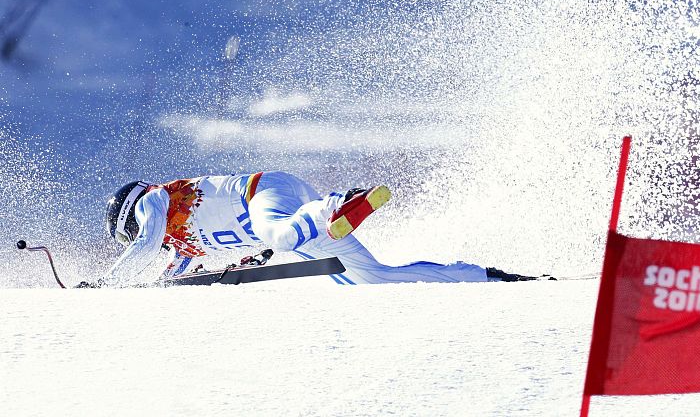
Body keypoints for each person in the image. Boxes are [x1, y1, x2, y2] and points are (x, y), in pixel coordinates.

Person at [86, 171, 538, 287]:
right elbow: (172, 268)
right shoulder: (180, 241)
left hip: (267, 192)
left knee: (279, 235)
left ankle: (337, 202)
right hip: (300, 225)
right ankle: (486, 276)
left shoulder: (154, 200)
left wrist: (108, 285)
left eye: (129, 232)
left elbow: (144, 245)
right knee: (371, 279)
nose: (142, 233)